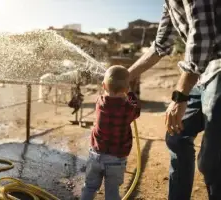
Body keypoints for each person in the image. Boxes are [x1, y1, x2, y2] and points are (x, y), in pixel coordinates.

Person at [128, 1, 221, 199]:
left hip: (218, 69)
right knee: (177, 136)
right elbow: (160, 45)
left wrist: (180, 97)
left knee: (212, 161)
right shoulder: (169, 3)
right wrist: (125, 77)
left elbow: (203, 38)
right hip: (202, 74)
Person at [80, 65, 141, 200]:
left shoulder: (99, 102)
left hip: (95, 155)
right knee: (112, 193)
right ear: (126, 88)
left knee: (89, 187)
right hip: (116, 159)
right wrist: (130, 94)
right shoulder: (128, 109)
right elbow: (136, 110)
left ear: (104, 86)